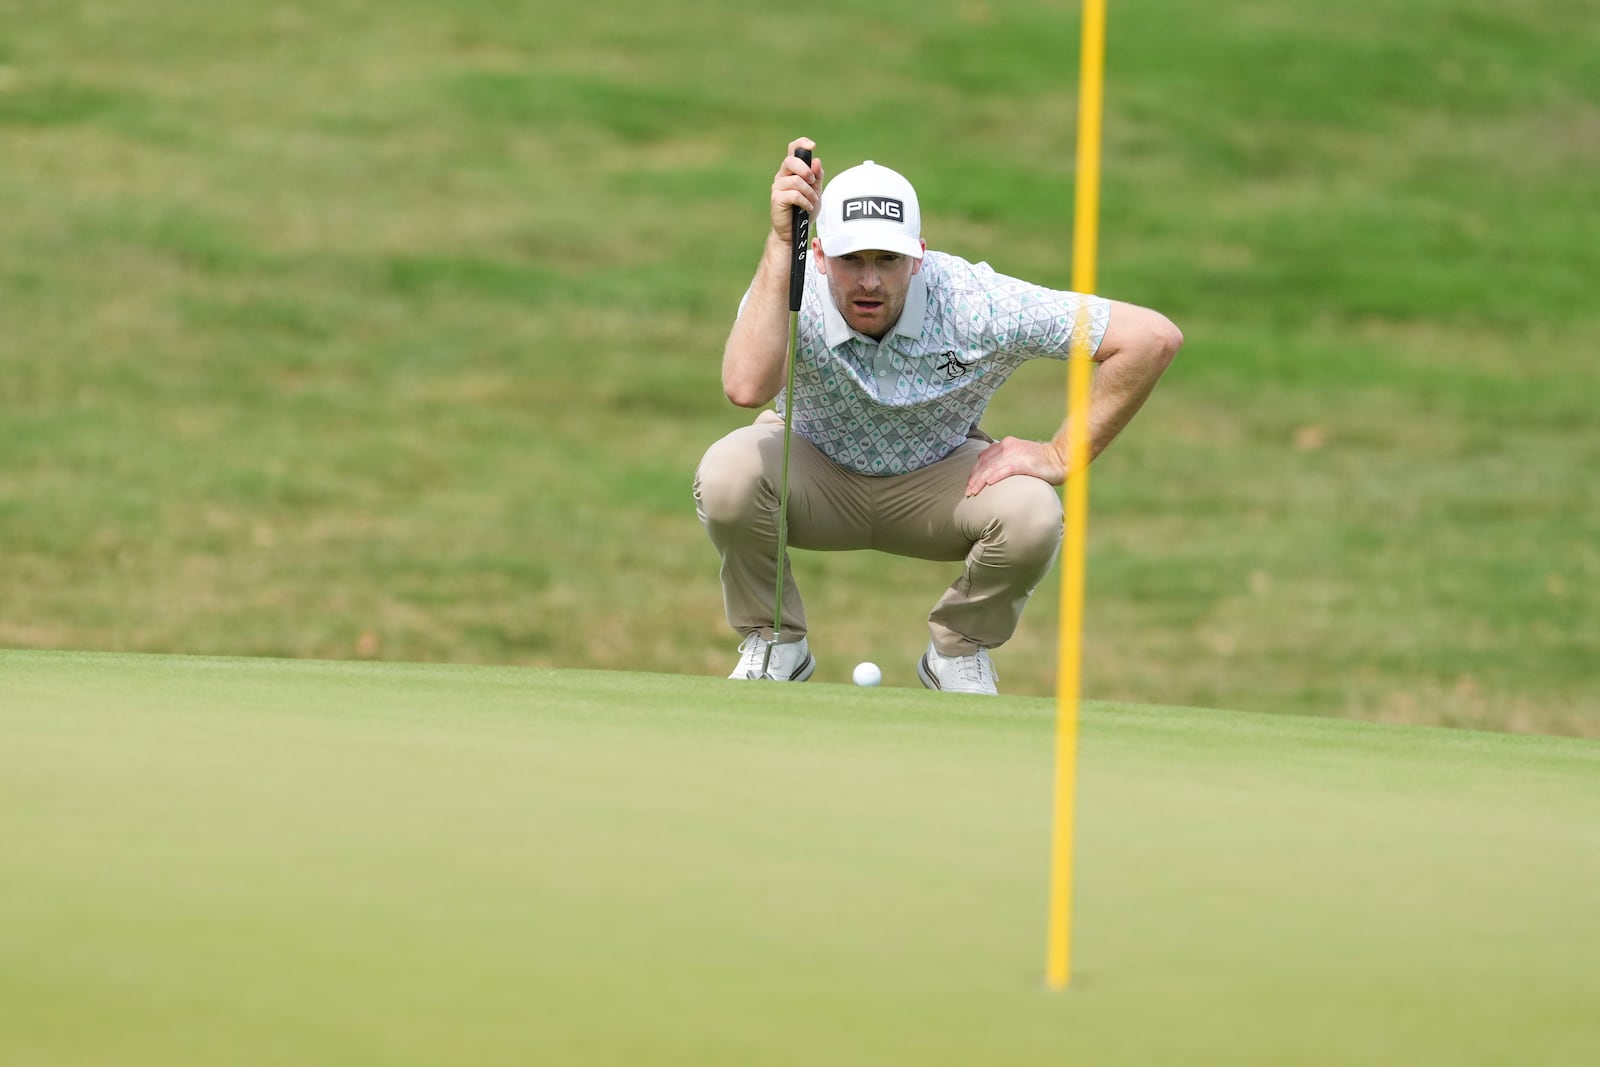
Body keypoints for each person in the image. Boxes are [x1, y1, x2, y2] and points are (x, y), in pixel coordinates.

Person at [693, 137, 1183, 695]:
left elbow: (1151, 338)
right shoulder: (786, 283)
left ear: (919, 255)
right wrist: (783, 245)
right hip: (811, 470)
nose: (870, 281)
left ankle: (958, 649)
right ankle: (776, 641)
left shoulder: (975, 301)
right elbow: (744, 387)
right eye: (852, 260)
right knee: (726, 473)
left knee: (1033, 513)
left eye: (888, 260)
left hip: (938, 482)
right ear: (822, 254)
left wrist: (1057, 455)